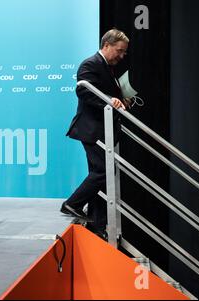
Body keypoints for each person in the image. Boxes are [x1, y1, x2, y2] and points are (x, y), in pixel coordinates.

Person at [61, 29, 131, 240]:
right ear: (106, 45)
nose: (121, 56)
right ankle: (72, 204)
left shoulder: (108, 68)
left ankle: (97, 225)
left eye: (124, 53)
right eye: (119, 51)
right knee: (103, 172)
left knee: (104, 175)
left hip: (103, 131)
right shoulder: (90, 64)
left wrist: (121, 101)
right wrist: (110, 100)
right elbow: (83, 91)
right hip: (91, 129)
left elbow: (109, 95)